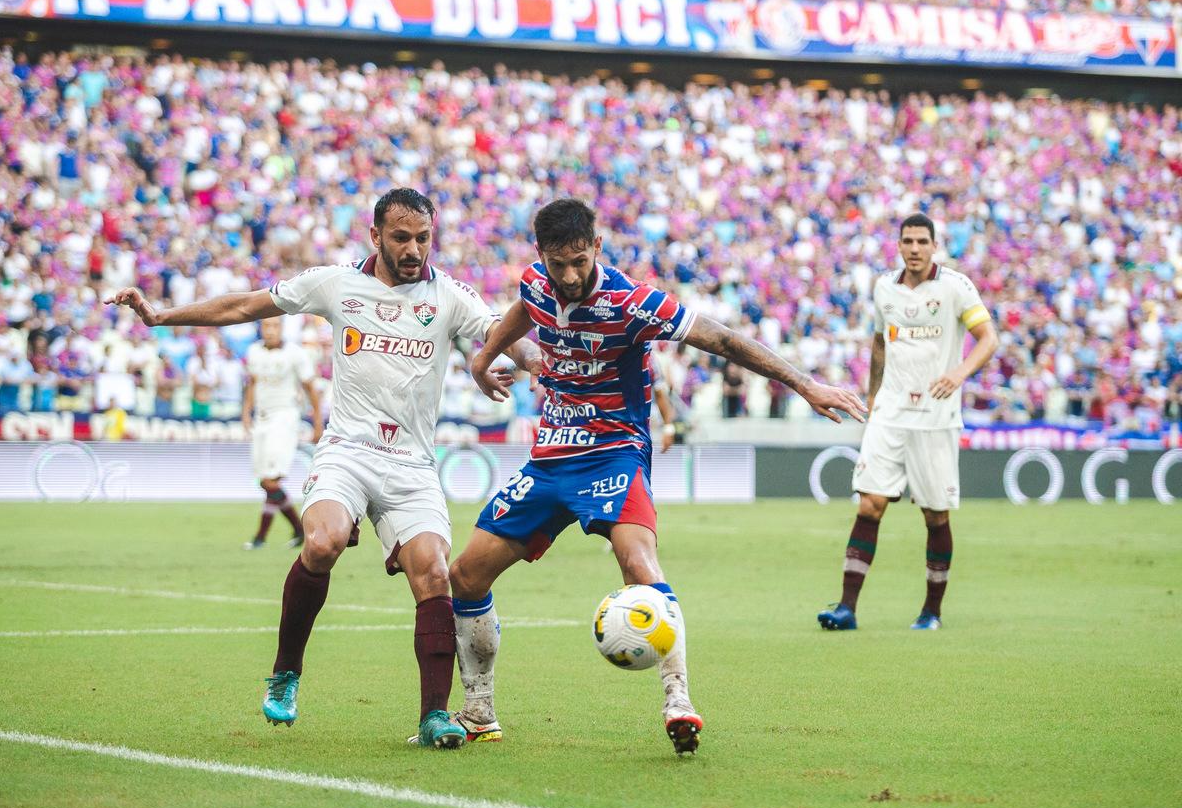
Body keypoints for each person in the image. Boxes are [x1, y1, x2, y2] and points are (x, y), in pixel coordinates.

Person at [107, 188, 540, 749]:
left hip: (412, 463)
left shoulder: (451, 296)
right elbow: (244, 306)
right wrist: (162, 316)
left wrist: (535, 364)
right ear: (375, 235)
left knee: (434, 573)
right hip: (347, 450)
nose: (414, 249)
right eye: (402, 238)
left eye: (423, 238)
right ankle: (286, 672)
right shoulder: (336, 283)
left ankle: (434, 716)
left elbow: (501, 335)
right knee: (323, 542)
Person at [451, 199, 867, 755]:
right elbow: (523, 310)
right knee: (467, 575)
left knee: (639, 566)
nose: (570, 275)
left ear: (597, 246)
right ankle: (478, 711)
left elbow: (721, 340)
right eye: (559, 264)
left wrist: (805, 385)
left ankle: (679, 699)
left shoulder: (632, 301)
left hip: (614, 454)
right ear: (541, 257)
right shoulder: (537, 282)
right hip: (550, 457)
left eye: (580, 260)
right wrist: (484, 360)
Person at [817, 213, 998, 632]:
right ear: (899, 245)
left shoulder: (955, 286)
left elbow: (988, 338)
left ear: (935, 245)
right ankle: (847, 608)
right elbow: (880, 341)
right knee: (869, 504)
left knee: (935, 516)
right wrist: (873, 394)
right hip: (890, 414)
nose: (914, 248)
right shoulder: (885, 287)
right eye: (907, 241)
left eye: (922, 241)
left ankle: (931, 611)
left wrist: (959, 374)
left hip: (935, 418)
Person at [241, 317, 323, 551]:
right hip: (262, 418)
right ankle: (298, 531)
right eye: (266, 326)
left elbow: (310, 387)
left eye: (275, 326)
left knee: (271, 479)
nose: (270, 331)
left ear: (281, 329)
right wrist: (246, 413)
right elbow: (252, 384)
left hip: (284, 417)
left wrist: (317, 422)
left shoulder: (295, 354)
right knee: (264, 481)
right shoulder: (254, 352)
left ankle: (261, 536)